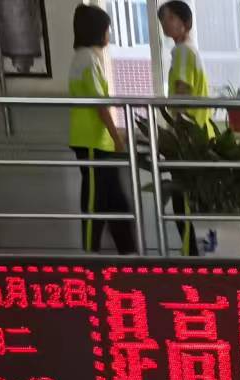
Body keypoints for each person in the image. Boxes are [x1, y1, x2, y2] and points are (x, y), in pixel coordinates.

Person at [67, 4, 135, 253]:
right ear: (97, 30)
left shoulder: (88, 57)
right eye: (107, 28)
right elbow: (99, 104)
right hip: (91, 141)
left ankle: (128, 253)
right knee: (95, 202)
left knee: (115, 202)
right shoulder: (87, 58)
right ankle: (90, 256)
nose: (109, 34)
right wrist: (117, 137)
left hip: (98, 141)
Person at [157, 0, 211, 254]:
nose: (164, 24)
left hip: (187, 138)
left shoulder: (182, 52)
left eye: (169, 18)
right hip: (195, 135)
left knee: (184, 199)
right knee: (187, 197)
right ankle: (193, 251)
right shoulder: (189, 50)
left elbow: (182, 92)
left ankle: (191, 254)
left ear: (185, 22)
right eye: (162, 19)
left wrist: (174, 131)